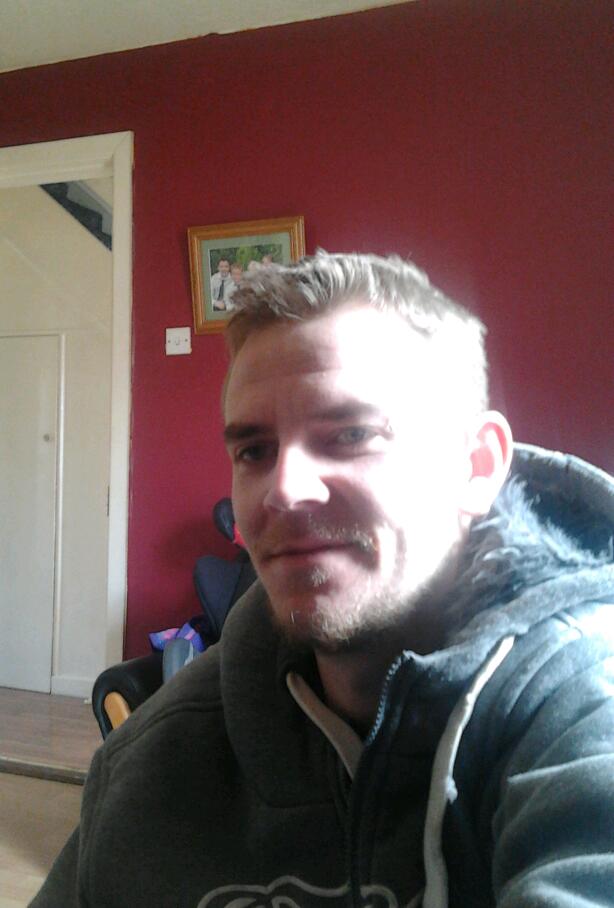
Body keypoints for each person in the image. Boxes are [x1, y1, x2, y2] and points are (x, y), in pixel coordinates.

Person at [31, 253, 614, 908]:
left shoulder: (586, 710)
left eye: (351, 434)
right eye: (254, 450)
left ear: (476, 467)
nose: (283, 489)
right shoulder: (151, 762)